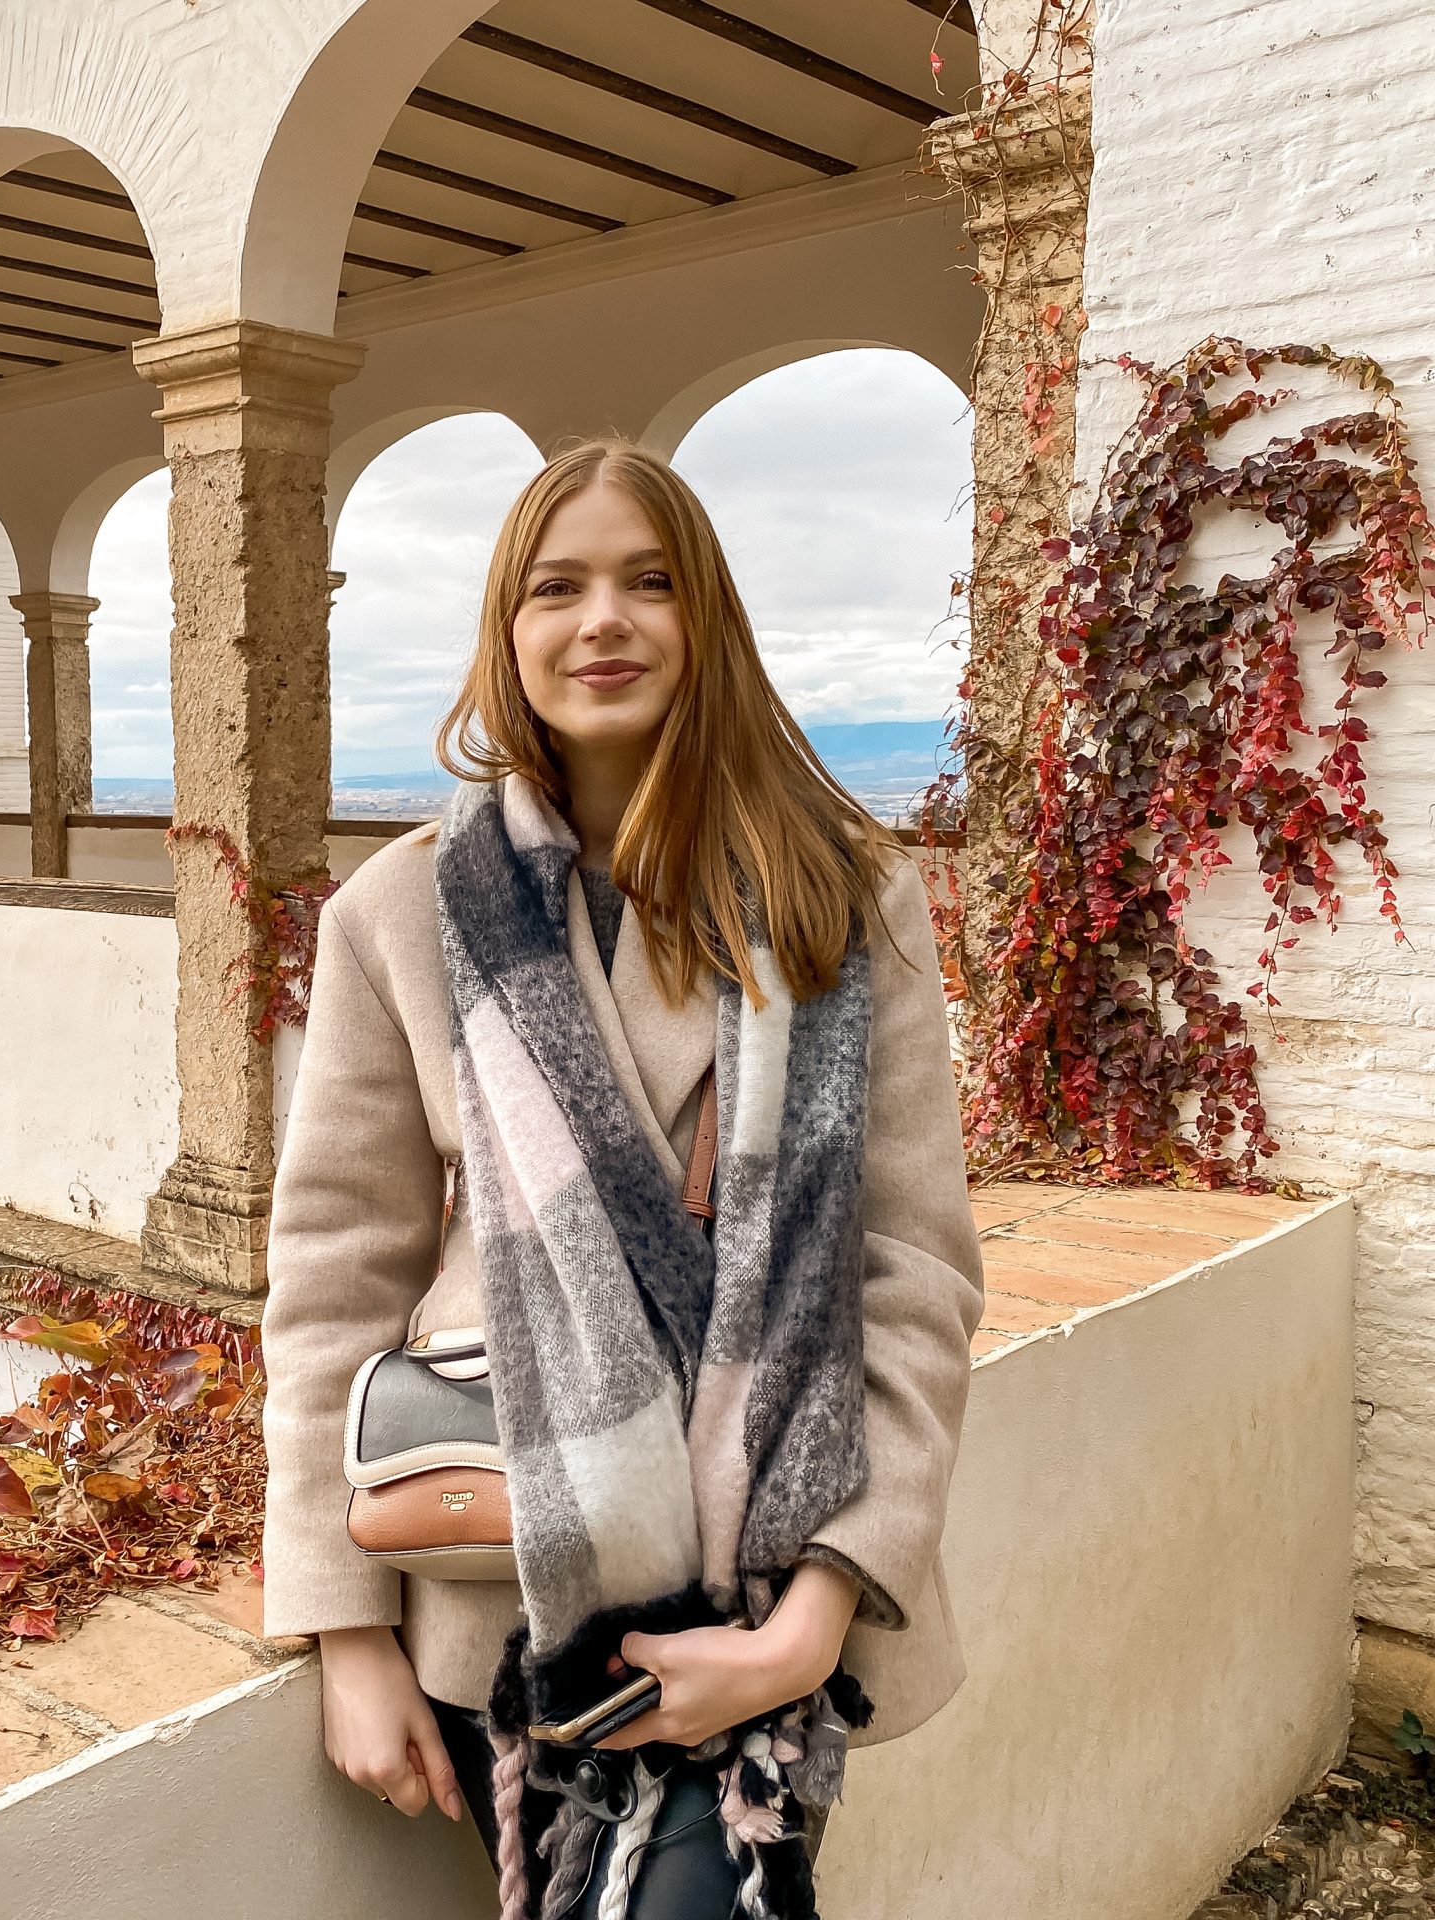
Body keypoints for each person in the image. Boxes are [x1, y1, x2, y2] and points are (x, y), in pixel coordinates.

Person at [260, 441, 984, 1919]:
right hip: (500, 1604)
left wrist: (812, 1622)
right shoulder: (401, 913)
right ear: (507, 634)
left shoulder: (841, 891)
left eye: (650, 582)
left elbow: (911, 1275)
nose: (605, 621)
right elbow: (337, 1279)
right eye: (560, 586)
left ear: (705, 617)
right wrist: (342, 1633)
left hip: (775, 1592)